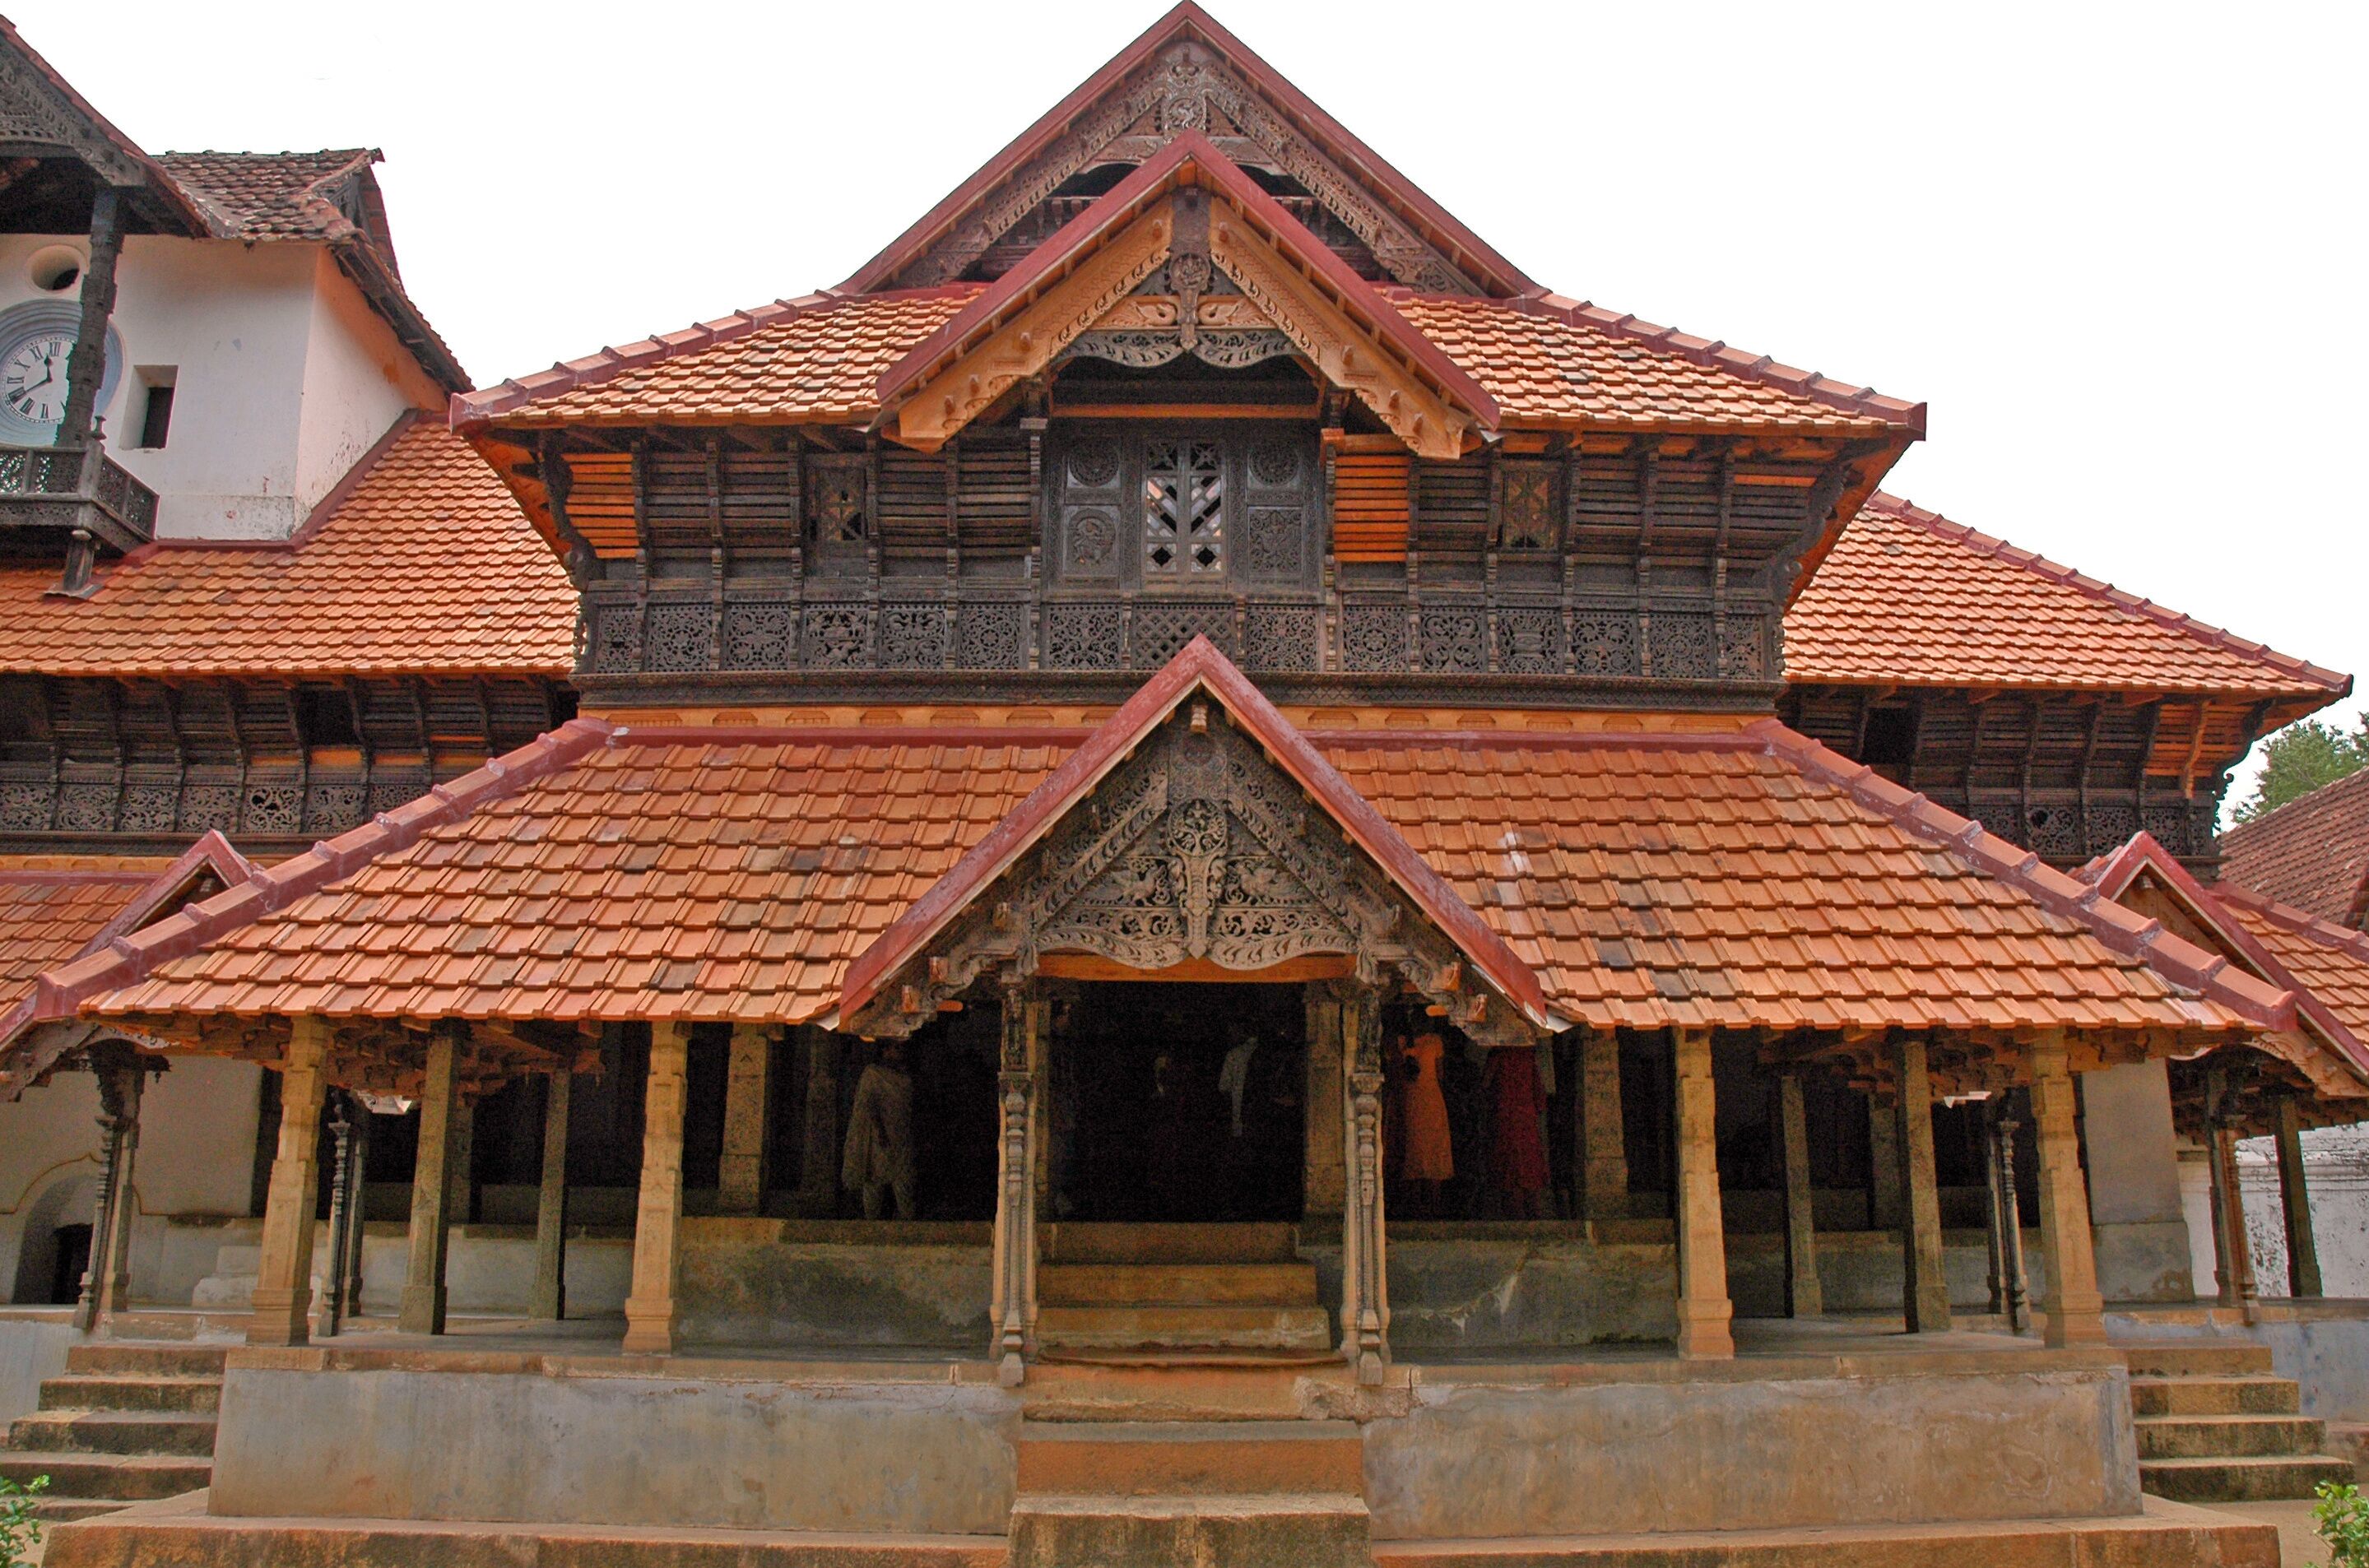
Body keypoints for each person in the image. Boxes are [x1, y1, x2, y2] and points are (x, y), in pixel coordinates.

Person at [843, 1041, 917, 1221]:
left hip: (902, 1137)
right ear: (886, 1050)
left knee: (904, 1184)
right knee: (874, 1182)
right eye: (896, 1048)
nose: (900, 1052)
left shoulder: (905, 1075)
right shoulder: (873, 1074)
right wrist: (879, 1131)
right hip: (879, 1140)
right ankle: (871, 1225)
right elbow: (867, 1106)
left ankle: (906, 1228)